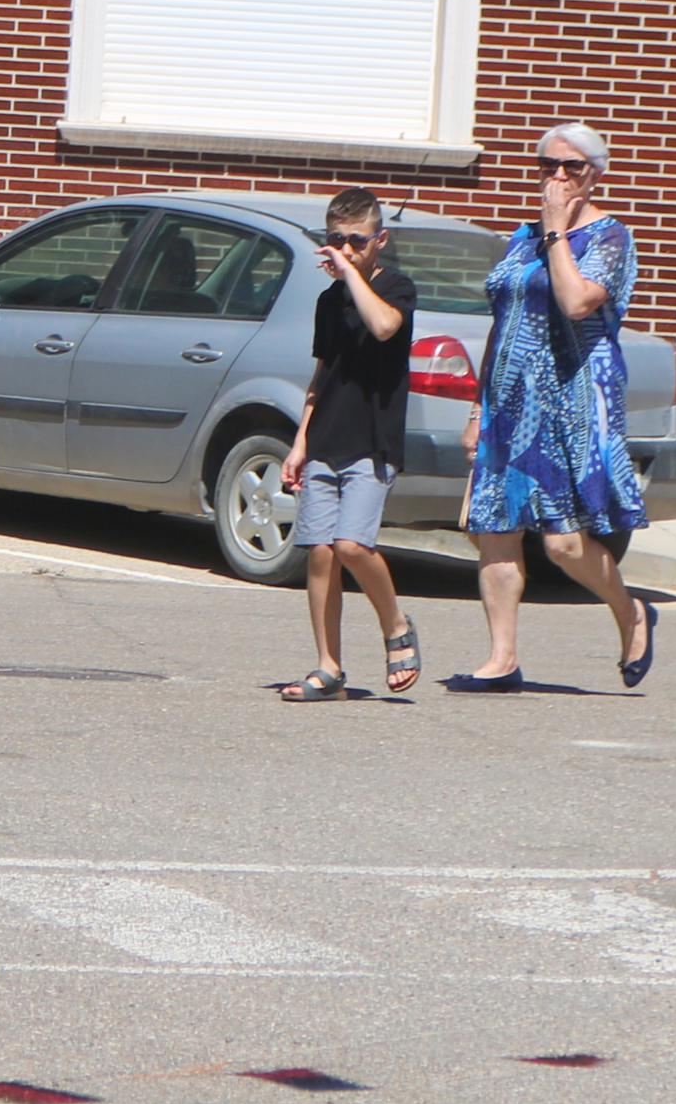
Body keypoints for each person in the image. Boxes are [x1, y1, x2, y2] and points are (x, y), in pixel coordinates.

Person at [449, 122, 654, 693]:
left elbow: (575, 300)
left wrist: (558, 231)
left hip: (573, 403)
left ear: (597, 175)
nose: (558, 177)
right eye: (548, 166)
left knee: (563, 542)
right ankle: (501, 657)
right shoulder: (521, 236)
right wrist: (477, 407)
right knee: (496, 528)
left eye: (573, 168)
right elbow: (503, 323)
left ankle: (630, 610)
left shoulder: (611, 238)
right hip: (509, 402)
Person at [274, 188, 418, 702]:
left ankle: (396, 624)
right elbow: (322, 375)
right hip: (325, 442)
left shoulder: (396, 287)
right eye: (335, 240)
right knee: (320, 553)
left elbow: (384, 328)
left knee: (353, 545)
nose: (345, 250)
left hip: (372, 444)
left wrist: (352, 274)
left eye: (356, 241)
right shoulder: (327, 302)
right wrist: (299, 442)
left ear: (379, 240)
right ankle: (328, 667)